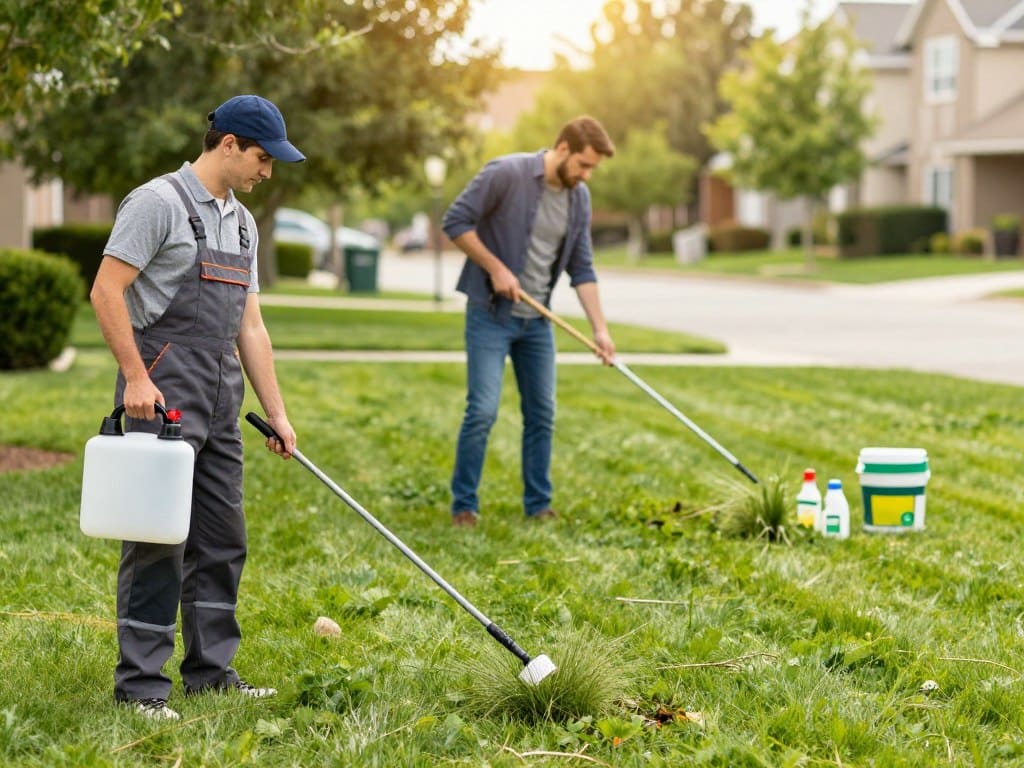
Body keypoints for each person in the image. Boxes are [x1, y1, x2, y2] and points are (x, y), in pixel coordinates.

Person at [90, 94, 304, 720]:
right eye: (263, 158)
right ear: (229, 144)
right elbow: (107, 290)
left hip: (221, 392)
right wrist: (133, 375)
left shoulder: (242, 223)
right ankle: (140, 686)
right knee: (158, 539)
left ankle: (211, 672)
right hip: (160, 388)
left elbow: (251, 326)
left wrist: (278, 412)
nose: (268, 172)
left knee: (221, 536)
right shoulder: (156, 203)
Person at [442, 116, 617, 527]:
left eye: (592, 168)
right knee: (483, 410)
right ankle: (463, 505)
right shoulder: (506, 173)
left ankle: (538, 504)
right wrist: (496, 268)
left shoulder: (579, 198)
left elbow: (582, 267)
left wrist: (600, 330)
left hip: (537, 322)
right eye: (583, 165)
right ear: (562, 148)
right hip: (490, 313)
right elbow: (455, 222)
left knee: (542, 413)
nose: (586, 175)